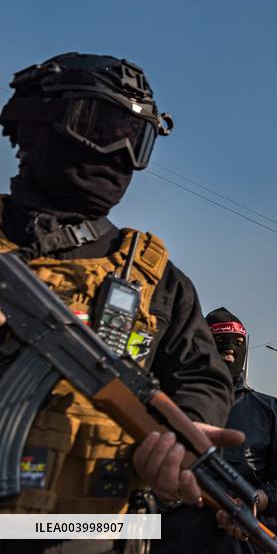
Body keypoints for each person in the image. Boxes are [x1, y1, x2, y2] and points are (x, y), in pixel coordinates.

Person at [0, 53, 238, 549]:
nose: (118, 152)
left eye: (136, 139)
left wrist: (180, 438)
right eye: (99, 127)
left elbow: (203, 379)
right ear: (35, 122)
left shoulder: (158, 280)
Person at [157, 307, 277, 553]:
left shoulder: (269, 410)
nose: (230, 351)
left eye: (238, 342)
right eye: (219, 341)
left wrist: (257, 499)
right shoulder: (167, 404)